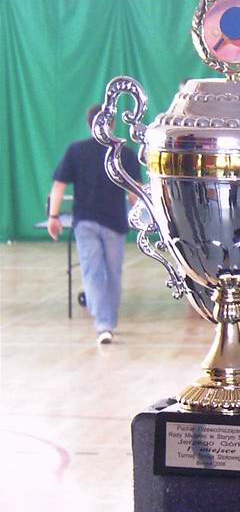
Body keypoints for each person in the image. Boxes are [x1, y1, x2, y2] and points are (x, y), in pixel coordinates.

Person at [47, 104, 142, 344]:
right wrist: (143, 217)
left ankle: (103, 320)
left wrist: (53, 216)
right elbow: (135, 195)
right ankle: (105, 324)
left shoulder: (76, 151)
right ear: (113, 124)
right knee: (111, 274)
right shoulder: (125, 154)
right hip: (111, 223)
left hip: (87, 221)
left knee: (94, 272)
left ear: (89, 124)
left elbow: (58, 186)